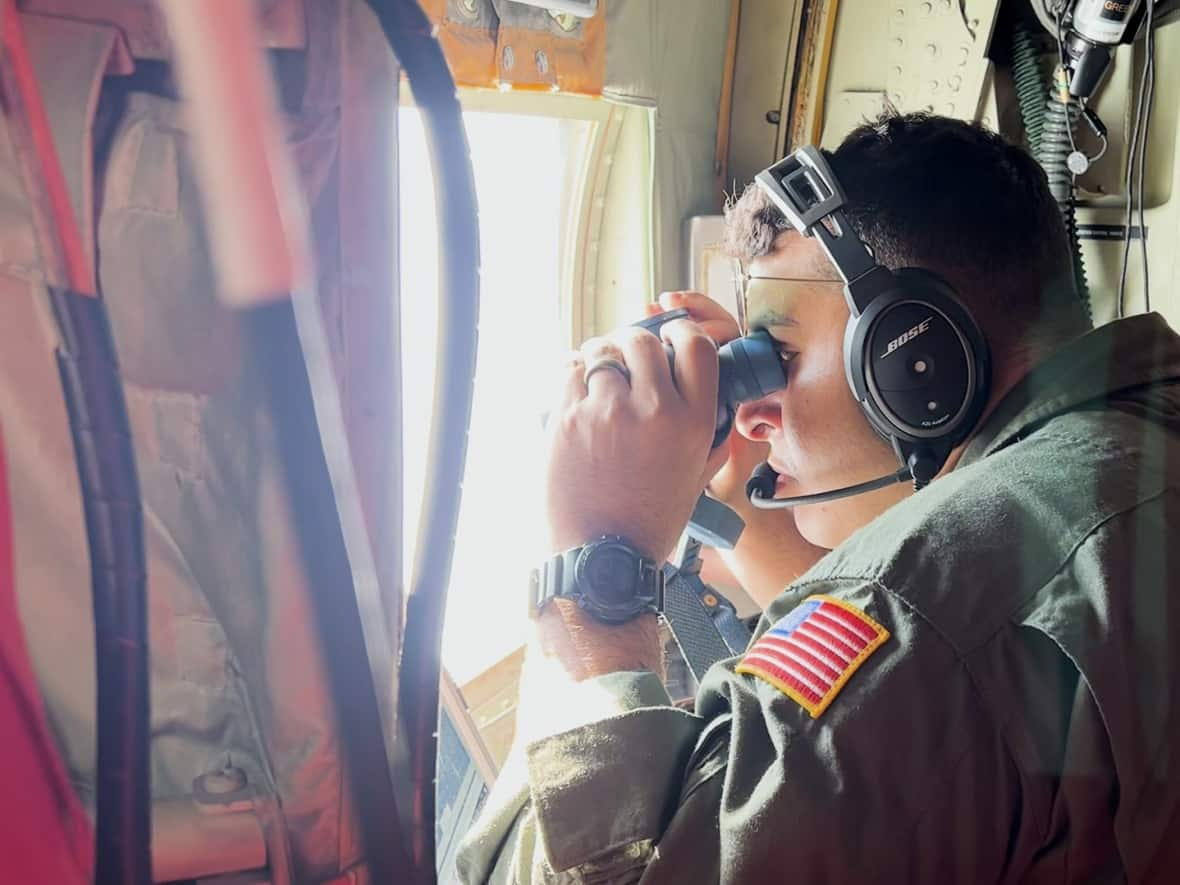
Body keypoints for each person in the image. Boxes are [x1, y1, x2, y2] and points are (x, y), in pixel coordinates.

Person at [457, 114, 1180, 882]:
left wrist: (595, 557)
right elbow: (895, 693)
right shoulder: (1129, 446)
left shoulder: (928, 611)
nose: (754, 414)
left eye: (782, 355)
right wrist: (734, 501)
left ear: (917, 355)